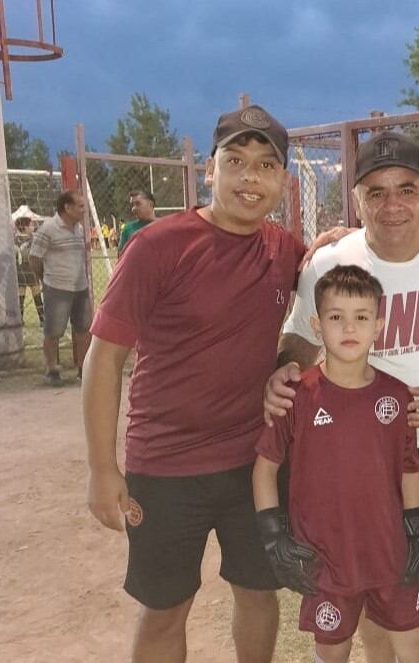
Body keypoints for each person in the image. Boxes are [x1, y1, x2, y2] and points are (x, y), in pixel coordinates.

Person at [82, 104, 315, 663]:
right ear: (210, 170)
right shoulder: (159, 246)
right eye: (235, 161)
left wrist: (333, 241)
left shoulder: (285, 250)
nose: (249, 178)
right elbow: (104, 358)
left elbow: (316, 311)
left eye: (265, 165)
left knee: (259, 595)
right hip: (164, 467)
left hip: (253, 463)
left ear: (283, 181)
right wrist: (101, 469)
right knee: (166, 609)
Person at [266, 131, 419, 662]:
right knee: (373, 580)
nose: (392, 205)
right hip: (362, 460)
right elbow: (300, 336)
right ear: (355, 200)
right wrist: (287, 370)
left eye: (406, 189)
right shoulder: (332, 263)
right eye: (375, 193)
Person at [254, 264, 419, 663]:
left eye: (361, 318)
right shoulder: (296, 395)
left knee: (415, 642)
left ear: (379, 326)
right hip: (324, 556)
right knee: (332, 648)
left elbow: (409, 468)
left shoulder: (396, 396)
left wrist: (416, 530)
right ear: (317, 326)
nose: (349, 329)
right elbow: (265, 467)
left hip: (389, 549)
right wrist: (272, 533)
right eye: (336, 318)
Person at [28, 190, 92, 386]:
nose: (83, 210)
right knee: (53, 331)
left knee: (83, 329)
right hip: (57, 287)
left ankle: (83, 368)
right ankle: (51, 369)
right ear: (67, 207)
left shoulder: (79, 229)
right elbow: (34, 258)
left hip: (80, 287)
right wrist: (45, 280)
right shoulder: (48, 229)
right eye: (80, 206)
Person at [14, 216, 45, 326]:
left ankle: (42, 319)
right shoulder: (15, 240)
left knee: (36, 294)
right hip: (21, 271)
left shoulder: (34, 238)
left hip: (32, 270)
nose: (33, 227)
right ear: (24, 227)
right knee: (20, 296)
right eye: (31, 225)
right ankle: (19, 320)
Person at [117, 190, 157, 258]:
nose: (134, 208)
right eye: (132, 205)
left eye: (138, 204)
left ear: (150, 204)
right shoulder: (128, 229)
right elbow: (121, 257)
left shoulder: (164, 225)